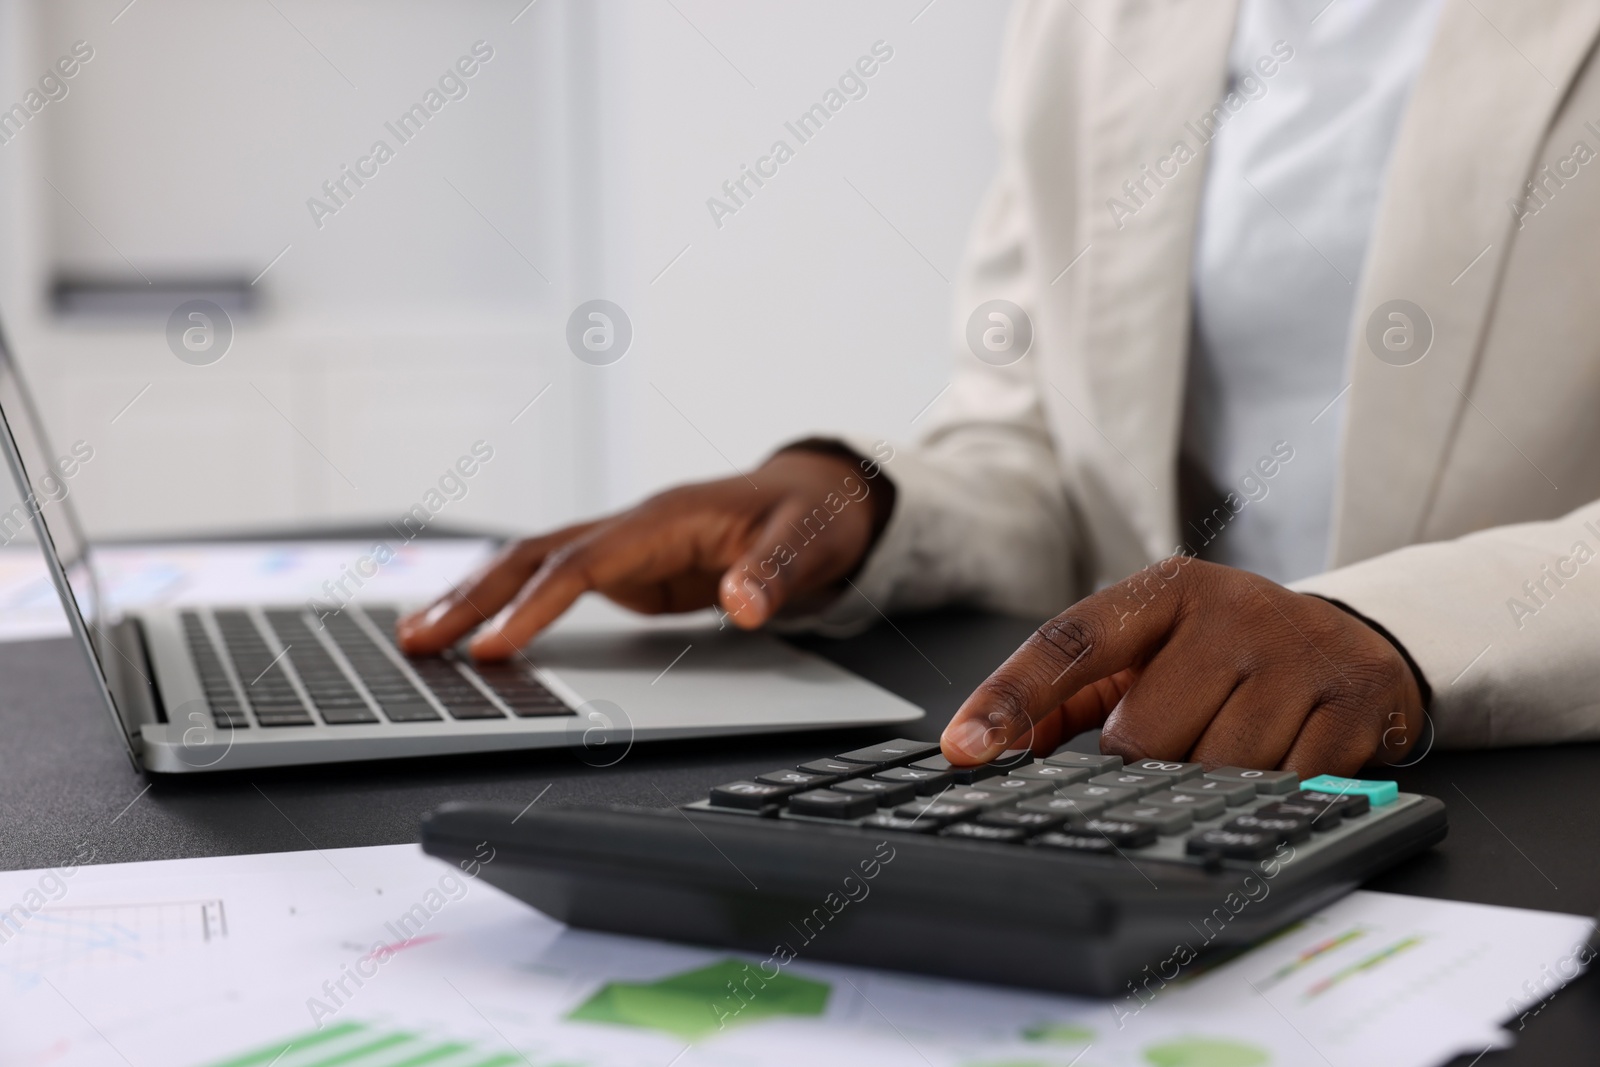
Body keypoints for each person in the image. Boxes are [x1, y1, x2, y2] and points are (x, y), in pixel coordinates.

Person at [400, 0, 1600, 776]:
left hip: (1517, 793)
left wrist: (1395, 631)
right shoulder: (1087, 22)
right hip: (1158, 781)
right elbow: (1035, 431)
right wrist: (860, 503)